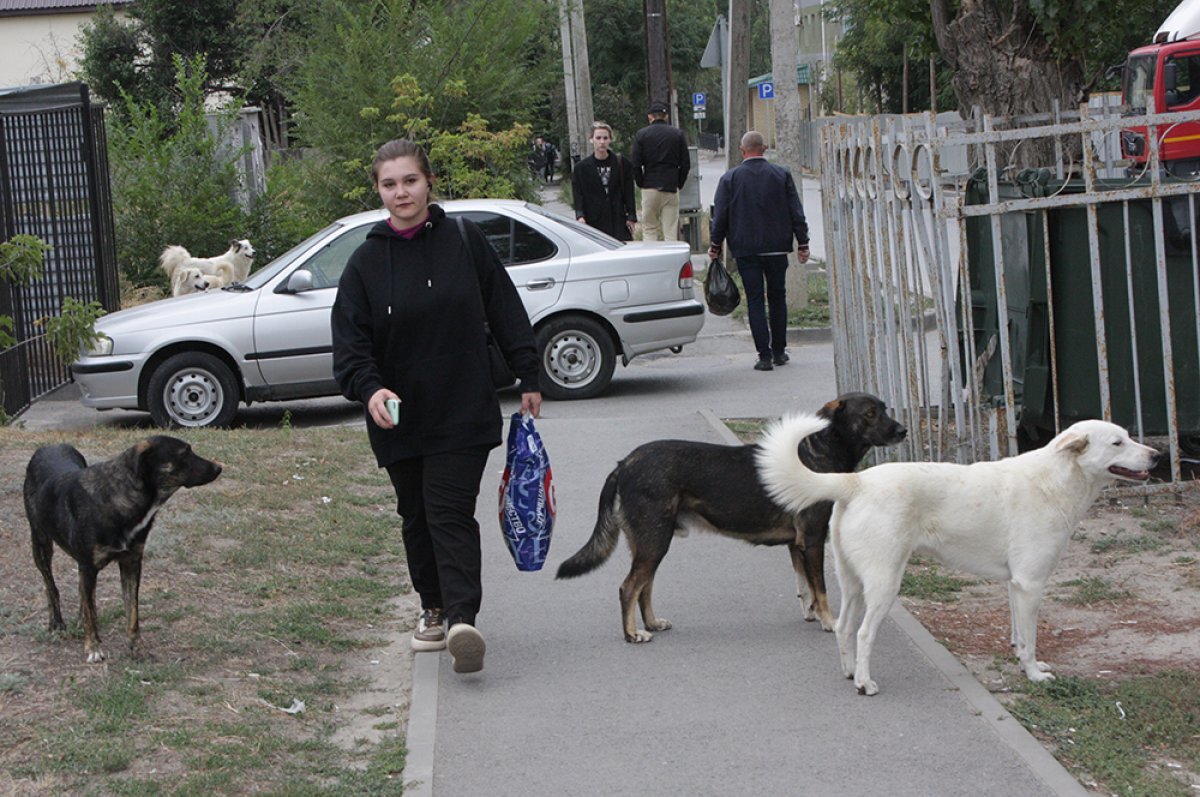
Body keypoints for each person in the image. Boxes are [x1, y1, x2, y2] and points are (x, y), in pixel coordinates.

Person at [331, 139, 543, 674]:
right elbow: (350, 347)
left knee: (448, 510)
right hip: (398, 415)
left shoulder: (465, 241)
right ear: (378, 190)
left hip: (462, 406)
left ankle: (461, 619)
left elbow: (505, 307)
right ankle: (433, 605)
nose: (401, 192)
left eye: (410, 180)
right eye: (389, 184)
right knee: (415, 514)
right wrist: (370, 388)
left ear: (429, 182)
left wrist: (529, 372)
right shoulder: (364, 262)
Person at [708, 131, 809, 372]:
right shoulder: (781, 174)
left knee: (755, 299)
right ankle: (779, 351)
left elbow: (720, 216)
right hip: (777, 248)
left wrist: (715, 246)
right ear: (764, 148)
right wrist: (803, 243)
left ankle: (763, 356)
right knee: (777, 298)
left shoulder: (730, 179)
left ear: (743, 151)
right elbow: (796, 212)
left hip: (746, 249)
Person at [631, 101, 690, 241]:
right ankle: (671, 262)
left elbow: (636, 164)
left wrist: (641, 183)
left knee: (649, 228)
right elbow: (686, 164)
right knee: (670, 230)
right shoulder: (677, 134)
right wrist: (678, 184)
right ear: (666, 116)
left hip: (649, 185)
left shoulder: (641, 135)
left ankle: (651, 259)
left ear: (650, 117)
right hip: (670, 186)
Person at [571, 121, 637, 240]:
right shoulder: (581, 168)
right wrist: (580, 215)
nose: (602, 142)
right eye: (598, 138)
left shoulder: (622, 163)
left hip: (617, 218)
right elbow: (578, 194)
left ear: (610, 140)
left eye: (605, 138)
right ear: (591, 139)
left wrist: (631, 215)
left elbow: (629, 191)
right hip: (594, 220)